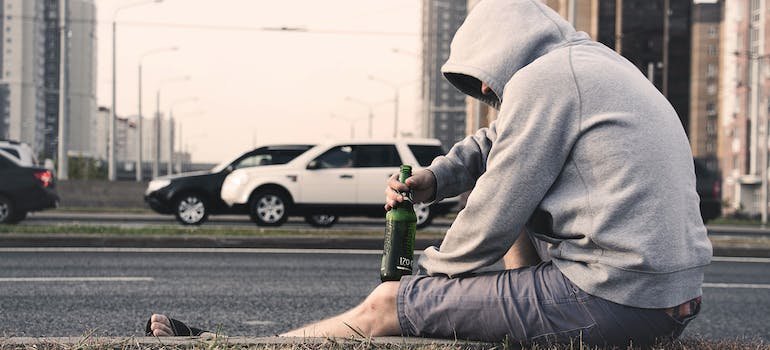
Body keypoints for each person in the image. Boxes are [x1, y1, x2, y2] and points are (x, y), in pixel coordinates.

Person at [147, 0, 712, 346]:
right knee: (502, 198)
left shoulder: (548, 81)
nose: (485, 89)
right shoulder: (593, 66)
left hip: (616, 301)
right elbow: (498, 143)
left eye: (484, 76)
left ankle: (234, 346)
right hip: (666, 296)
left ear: (505, 49)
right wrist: (436, 179)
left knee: (383, 309)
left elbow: (494, 210)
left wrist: (418, 283)